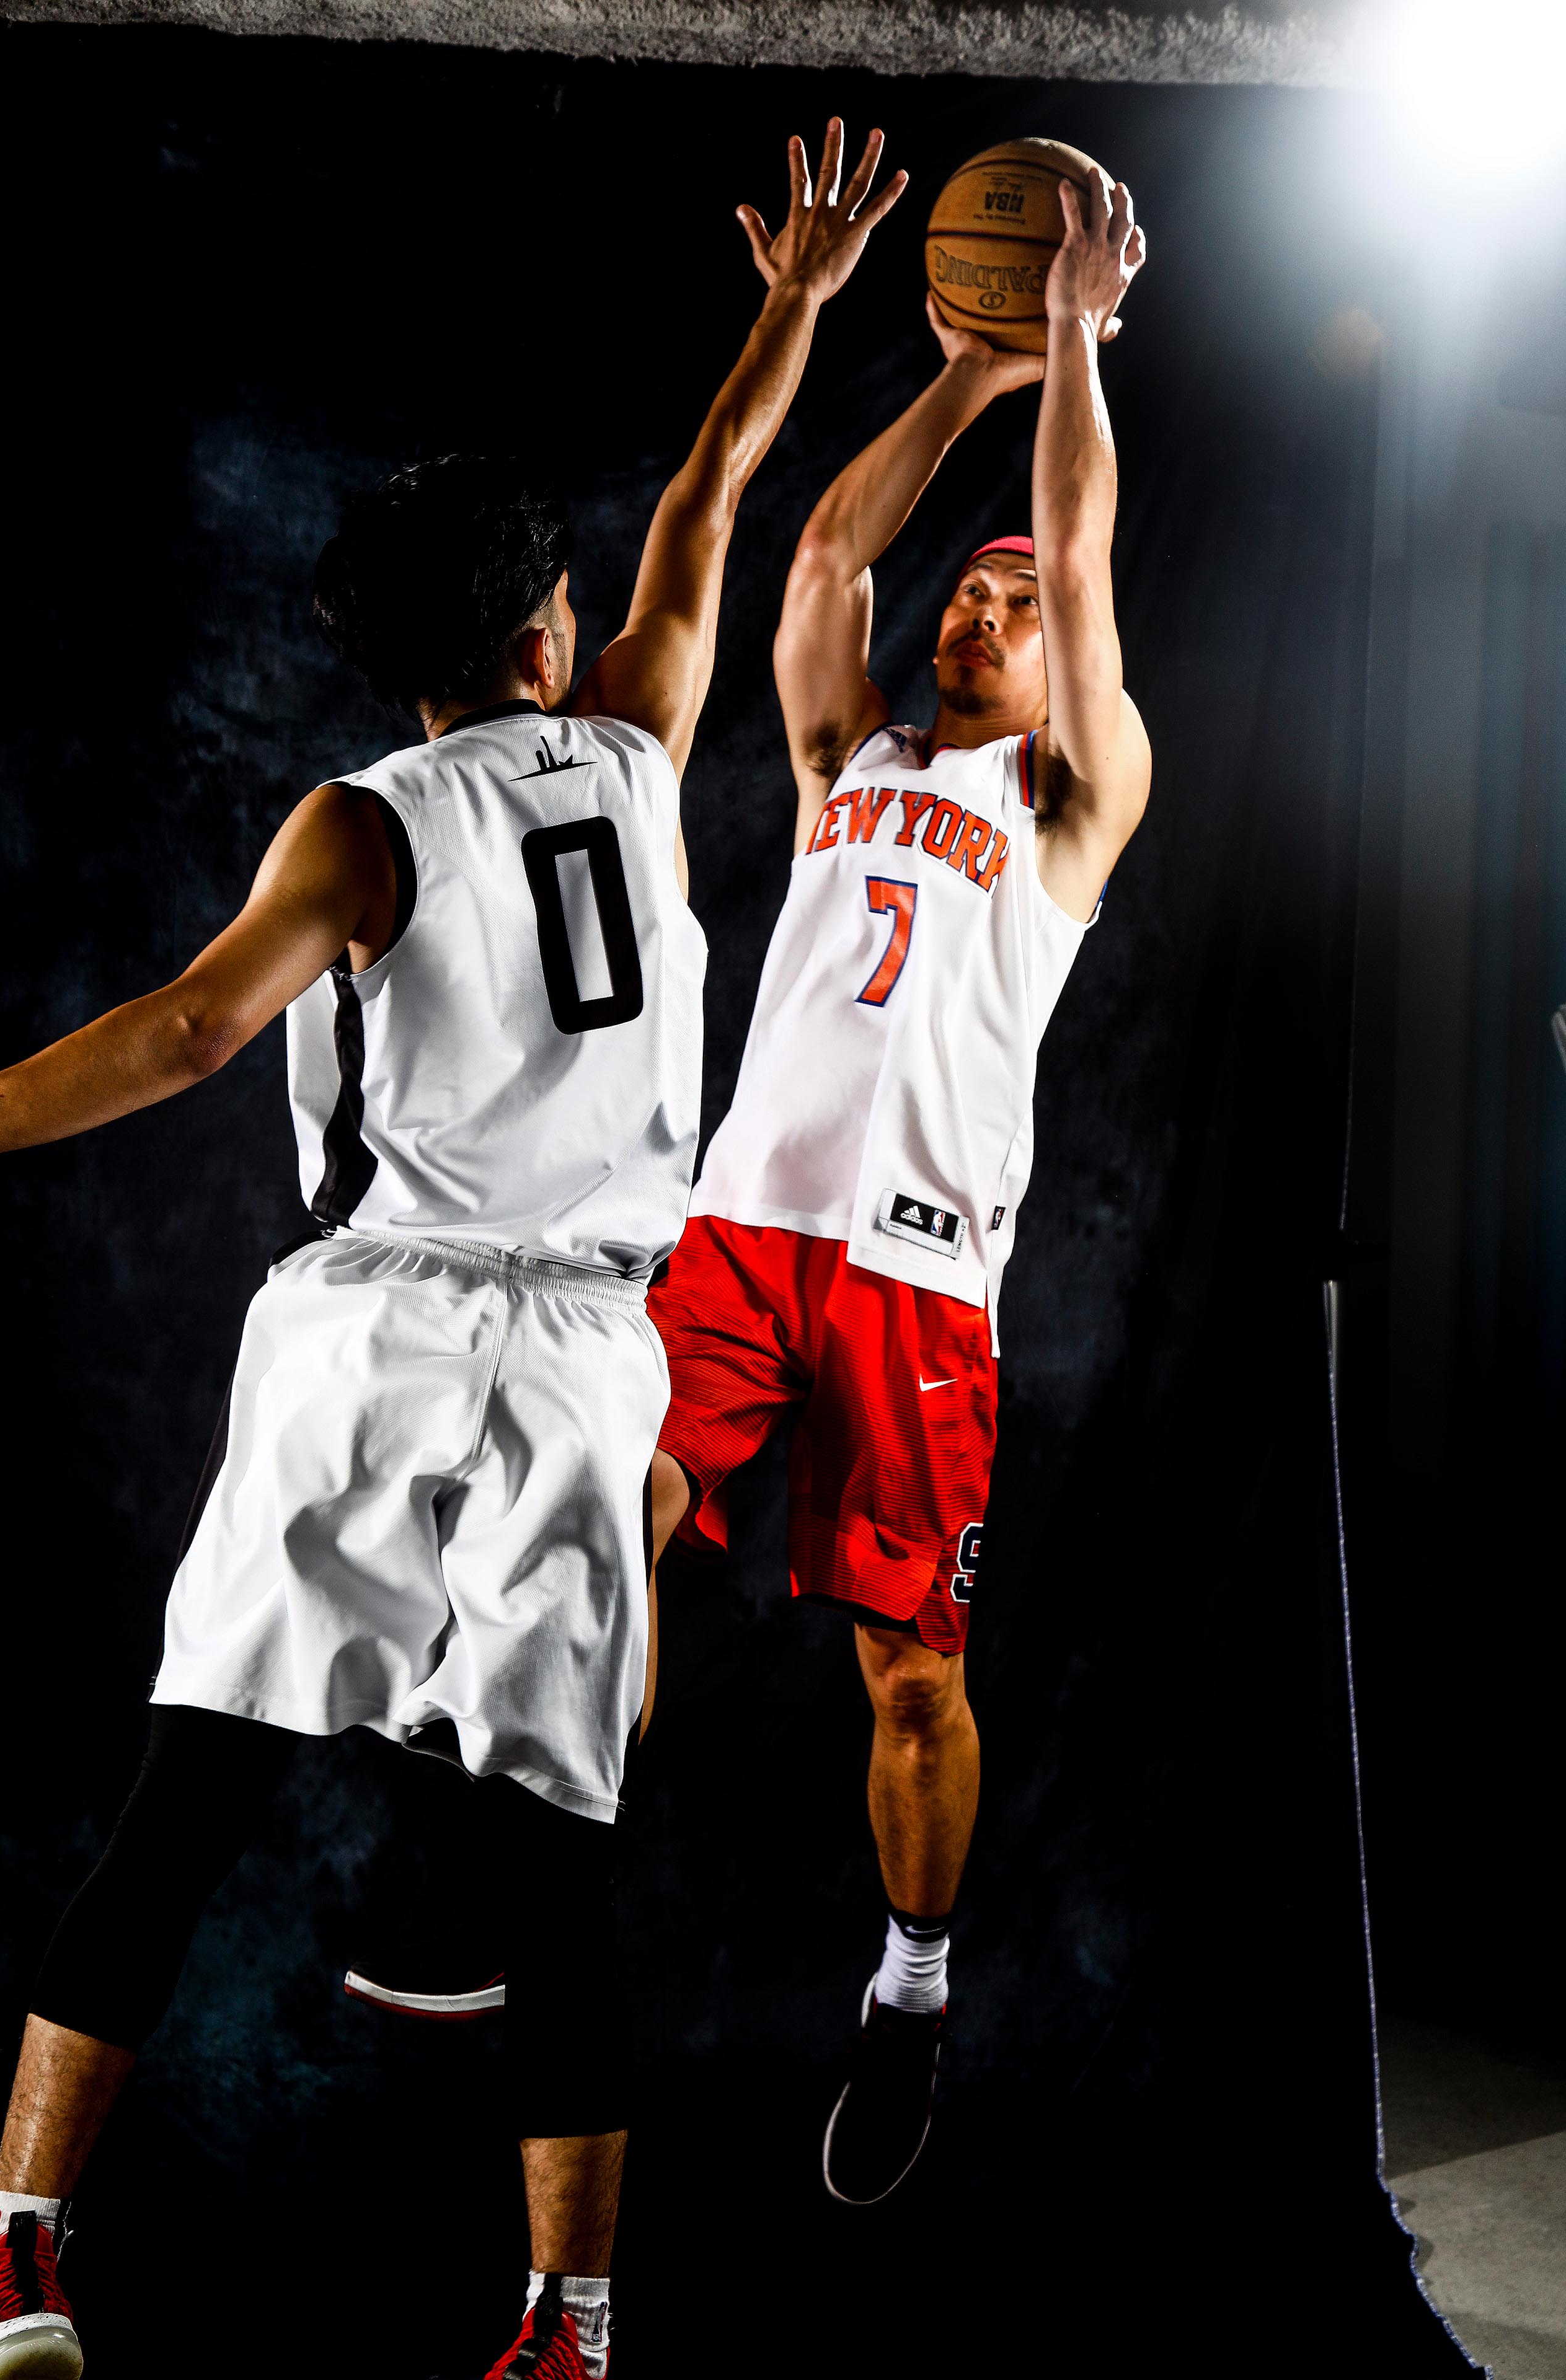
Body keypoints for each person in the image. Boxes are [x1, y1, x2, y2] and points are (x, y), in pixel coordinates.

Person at [0, 119, 905, 2380]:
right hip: (591, 1356)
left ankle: (20, 2253)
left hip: (381, 1331)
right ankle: (567, 2324)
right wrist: (792, 305)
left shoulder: (359, 823)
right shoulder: (637, 744)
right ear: (543, 632)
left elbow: (190, 1031)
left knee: (190, 1795)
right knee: (553, 1860)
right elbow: (710, 503)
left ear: (399, 664)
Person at [645, 162, 1150, 2206]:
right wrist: (959, 375)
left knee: (911, 1679)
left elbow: (1084, 550)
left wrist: (1072, 341)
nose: (982, 609)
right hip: (742, 1230)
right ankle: (537, 1847)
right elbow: (826, 553)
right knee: (606, 1508)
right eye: (973, 594)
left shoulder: (1073, 806)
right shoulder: (846, 761)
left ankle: (912, 1987)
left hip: (922, 1279)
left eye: (1013, 610)